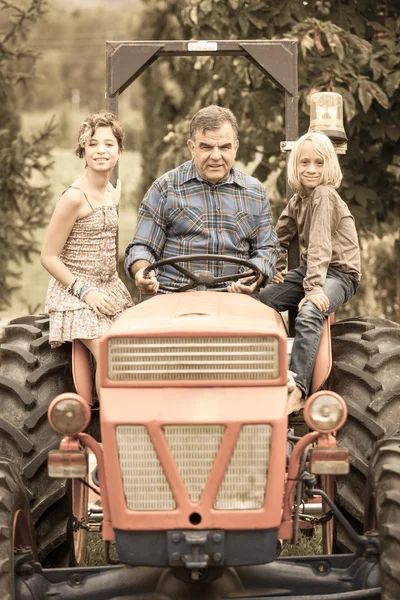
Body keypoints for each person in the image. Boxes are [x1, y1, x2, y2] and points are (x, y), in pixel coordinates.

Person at [124, 105, 279, 295]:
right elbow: (143, 245)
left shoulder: (255, 192)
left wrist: (254, 276)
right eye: (206, 147)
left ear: (235, 148)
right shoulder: (164, 188)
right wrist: (142, 271)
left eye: (224, 147)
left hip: (234, 297)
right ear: (192, 147)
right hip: (173, 295)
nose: (216, 156)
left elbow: (267, 248)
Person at [259, 131, 361, 413]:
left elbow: (320, 244)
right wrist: (274, 268)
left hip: (340, 274)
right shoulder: (299, 200)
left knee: (310, 311)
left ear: (329, 165)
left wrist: (313, 288)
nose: (311, 169)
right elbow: (276, 238)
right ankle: (270, 365)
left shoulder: (325, 195)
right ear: (295, 165)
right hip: (314, 270)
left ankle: (299, 387)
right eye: (304, 162)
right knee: (264, 300)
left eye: (318, 163)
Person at [41, 111, 133, 394]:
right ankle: (98, 427)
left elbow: (109, 203)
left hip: (109, 288)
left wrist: (114, 197)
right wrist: (85, 291)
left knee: (140, 347)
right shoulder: (73, 198)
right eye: (93, 144)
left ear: (119, 150)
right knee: (111, 355)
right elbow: (48, 256)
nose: (101, 151)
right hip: (76, 294)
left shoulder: (108, 193)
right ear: (83, 150)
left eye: (108, 144)